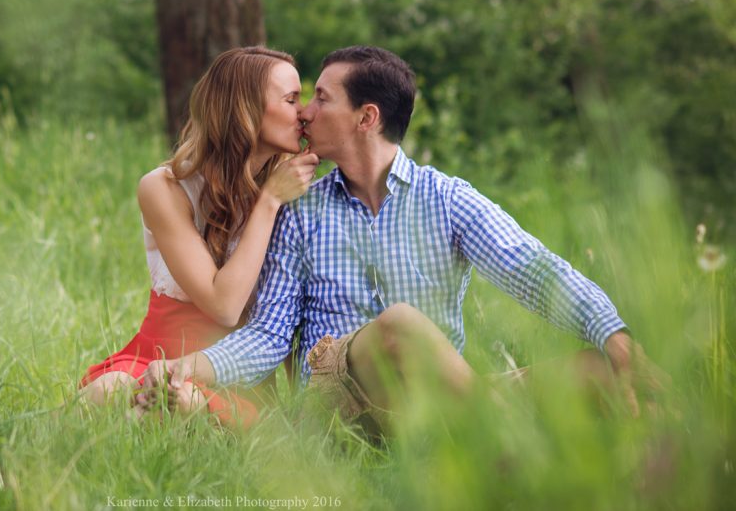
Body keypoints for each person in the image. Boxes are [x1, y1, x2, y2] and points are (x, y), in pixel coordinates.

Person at [140, 45, 659, 431]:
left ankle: (481, 423)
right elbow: (268, 336)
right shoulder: (299, 213)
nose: (306, 112)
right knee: (402, 324)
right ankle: (500, 438)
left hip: (435, 396)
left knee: (606, 369)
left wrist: (617, 337)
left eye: (320, 98)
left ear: (367, 118)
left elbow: (535, 270)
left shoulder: (447, 199)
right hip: (335, 402)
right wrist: (186, 368)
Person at [78, 46, 320, 427]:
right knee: (108, 389)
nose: (304, 113)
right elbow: (220, 302)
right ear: (247, 109)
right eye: (291, 100)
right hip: (155, 355)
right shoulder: (165, 188)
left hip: (232, 374)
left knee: (177, 402)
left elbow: (240, 316)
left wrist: (271, 197)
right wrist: (270, 199)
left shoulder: (288, 191)